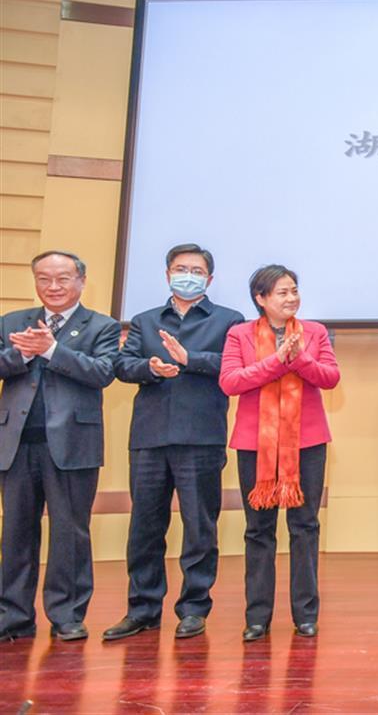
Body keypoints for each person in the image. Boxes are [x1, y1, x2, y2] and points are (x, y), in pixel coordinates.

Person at [104, 244, 243, 641]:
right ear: (167, 274)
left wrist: (189, 358)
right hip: (149, 437)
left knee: (200, 527)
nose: (188, 275)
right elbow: (121, 365)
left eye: (196, 270)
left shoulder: (229, 320)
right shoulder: (145, 320)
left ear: (209, 279)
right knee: (145, 527)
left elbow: (235, 366)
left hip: (201, 437)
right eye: (181, 269)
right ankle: (143, 609)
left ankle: (194, 608)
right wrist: (149, 367)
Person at [0, 251, 120, 642]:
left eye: (63, 278)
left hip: (73, 445)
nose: (53, 286)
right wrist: (21, 353)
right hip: (16, 444)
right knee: (16, 533)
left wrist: (52, 350)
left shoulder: (101, 326)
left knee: (70, 533)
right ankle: (13, 615)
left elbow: (103, 372)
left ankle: (67, 615)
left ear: (81, 281)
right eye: (44, 278)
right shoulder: (12, 322)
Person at [219, 265, 340, 641]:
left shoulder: (315, 332)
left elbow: (330, 378)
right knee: (259, 530)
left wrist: (299, 358)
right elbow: (230, 382)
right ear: (261, 298)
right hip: (255, 444)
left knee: (305, 527)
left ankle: (306, 614)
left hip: (307, 443)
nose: (291, 298)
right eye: (282, 292)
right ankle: (257, 617)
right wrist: (277, 361)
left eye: (294, 291)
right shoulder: (239, 334)